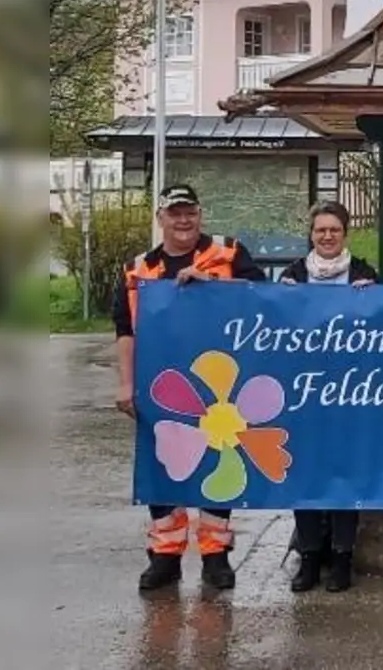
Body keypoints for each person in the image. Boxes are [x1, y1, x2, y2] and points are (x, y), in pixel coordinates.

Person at [114, 184, 268, 593]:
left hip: (219, 382)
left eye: (190, 212)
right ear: (160, 218)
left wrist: (211, 285)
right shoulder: (137, 269)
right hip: (159, 385)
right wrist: (126, 382)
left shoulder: (228, 253)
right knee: (162, 463)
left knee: (219, 461)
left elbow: (262, 296)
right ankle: (165, 556)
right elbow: (125, 330)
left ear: (200, 214)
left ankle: (215, 555)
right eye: (175, 213)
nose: (183, 220)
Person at [278, 201, 377, 593]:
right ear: (311, 234)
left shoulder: (364, 274)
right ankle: (309, 556)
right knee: (304, 475)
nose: (327, 236)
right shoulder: (293, 275)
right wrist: (281, 300)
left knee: (344, 474)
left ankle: (342, 557)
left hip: (349, 393)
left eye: (334, 229)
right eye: (321, 230)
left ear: (345, 234)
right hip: (303, 393)